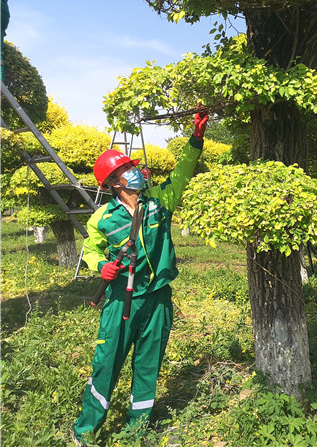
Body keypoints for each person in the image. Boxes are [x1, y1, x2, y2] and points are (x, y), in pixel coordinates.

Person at [72, 107, 209, 445]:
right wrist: (100, 266)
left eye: (132, 167)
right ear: (113, 183)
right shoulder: (102, 218)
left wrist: (196, 138)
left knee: (148, 365)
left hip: (158, 297)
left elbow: (183, 172)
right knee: (107, 364)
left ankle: (137, 429)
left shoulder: (159, 201)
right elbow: (90, 250)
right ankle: (86, 431)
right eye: (126, 170)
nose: (134, 172)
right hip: (121, 300)